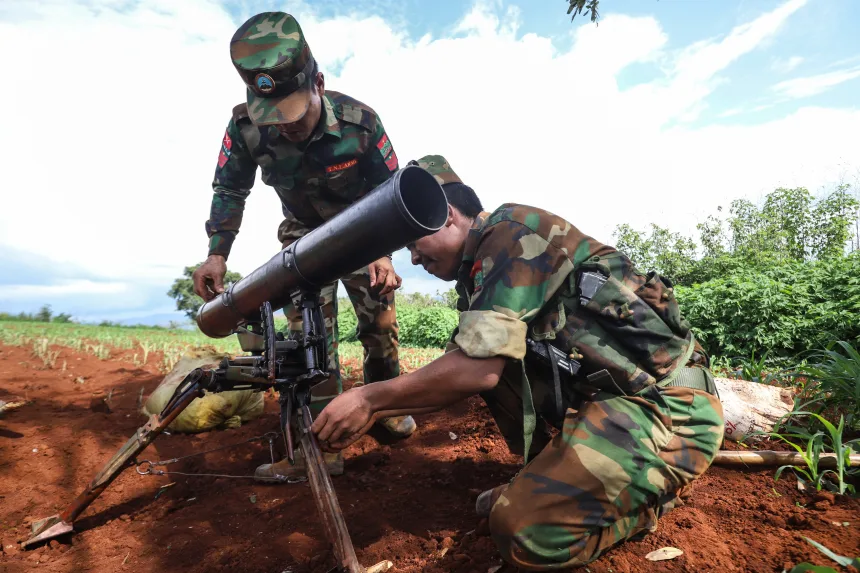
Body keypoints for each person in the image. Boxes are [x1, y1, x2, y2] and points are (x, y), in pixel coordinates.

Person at [310, 155, 725, 570]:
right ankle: (556, 480)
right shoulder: (482, 267)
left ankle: (641, 501)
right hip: (615, 404)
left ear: (449, 215)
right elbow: (468, 368)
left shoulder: (514, 234)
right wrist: (376, 407)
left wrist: (370, 399)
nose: (413, 259)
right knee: (491, 358)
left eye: (414, 243)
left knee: (523, 532)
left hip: (671, 412)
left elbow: (476, 369)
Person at [191, 11, 416, 481]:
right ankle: (323, 445)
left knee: (379, 324)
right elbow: (230, 189)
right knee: (311, 341)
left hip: (364, 233)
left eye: (294, 112)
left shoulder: (361, 122)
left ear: (318, 82)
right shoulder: (246, 128)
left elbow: (392, 189)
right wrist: (217, 252)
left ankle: (385, 406)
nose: (285, 128)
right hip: (303, 238)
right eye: (273, 116)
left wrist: (383, 252)